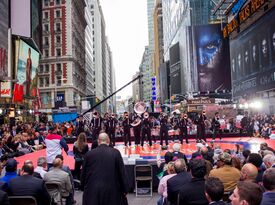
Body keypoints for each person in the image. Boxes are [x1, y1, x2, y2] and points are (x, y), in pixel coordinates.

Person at [81, 133, 128, 205]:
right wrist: (125, 189)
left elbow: (83, 173)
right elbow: (121, 172)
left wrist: (83, 187)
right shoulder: (115, 153)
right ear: (108, 141)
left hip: (92, 190)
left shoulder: (89, 154)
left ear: (98, 141)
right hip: (112, 191)